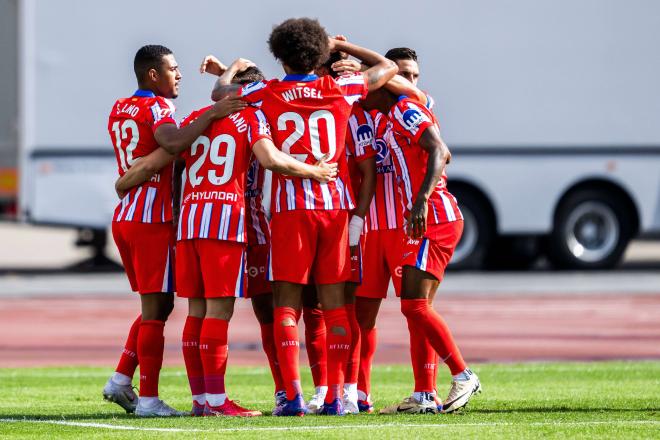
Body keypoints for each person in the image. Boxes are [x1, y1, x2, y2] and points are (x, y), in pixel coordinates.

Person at [116, 58, 338, 416]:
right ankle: (227, 401)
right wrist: (316, 171)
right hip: (229, 221)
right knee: (230, 311)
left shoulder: (191, 118)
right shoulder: (251, 117)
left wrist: (128, 185)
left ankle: (202, 400)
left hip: (189, 220)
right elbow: (271, 160)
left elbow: (171, 163)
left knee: (197, 311)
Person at [211, 18, 397, 416]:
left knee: (287, 305)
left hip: (289, 208)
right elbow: (388, 67)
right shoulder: (341, 87)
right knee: (334, 305)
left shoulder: (265, 91)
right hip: (333, 206)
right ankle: (333, 397)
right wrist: (344, 46)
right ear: (320, 54)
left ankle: (292, 396)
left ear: (278, 55)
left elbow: (220, 93)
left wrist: (227, 70)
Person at [103, 44, 244, 417]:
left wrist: (141, 169)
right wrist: (213, 113)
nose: (179, 75)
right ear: (153, 74)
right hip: (152, 216)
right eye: (173, 69)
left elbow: (150, 155)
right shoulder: (158, 107)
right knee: (154, 310)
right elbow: (173, 141)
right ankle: (148, 398)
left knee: (160, 304)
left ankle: (121, 378)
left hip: (128, 212)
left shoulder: (120, 108)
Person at [361, 83, 481, 415]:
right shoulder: (385, 116)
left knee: (414, 307)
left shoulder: (405, 108)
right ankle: (425, 395)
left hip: (435, 218)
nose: (359, 91)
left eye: (365, 84)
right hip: (417, 222)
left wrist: (422, 199)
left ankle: (463, 373)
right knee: (416, 309)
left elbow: (441, 151)